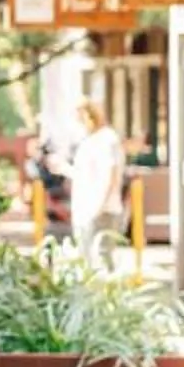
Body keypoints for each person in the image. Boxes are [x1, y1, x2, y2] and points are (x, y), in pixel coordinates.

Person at [68, 101, 128, 258]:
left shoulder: (108, 139)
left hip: (101, 210)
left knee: (101, 259)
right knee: (86, 258)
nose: (79, 125)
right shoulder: (89, 141)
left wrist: (99, 207)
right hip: (85, 211)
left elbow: (111, 174)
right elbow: (84, 174)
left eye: (81, 119)